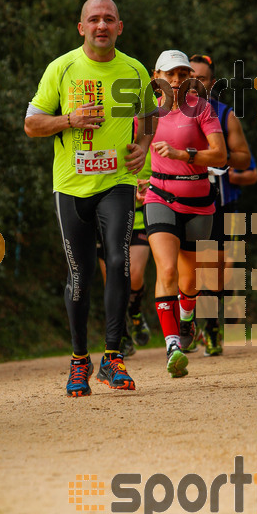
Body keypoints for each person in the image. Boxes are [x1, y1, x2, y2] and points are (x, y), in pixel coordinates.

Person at [24, 0, 153, 397]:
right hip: (71, 186)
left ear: (119, 27)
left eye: (109, 19)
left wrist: (144, 145)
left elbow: (150, 118)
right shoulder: (60, 68)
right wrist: (69, 119)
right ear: (81, 27)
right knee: (80, 275)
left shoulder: (135, 70)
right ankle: (80, 360)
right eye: (94, 19)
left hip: (116, 182)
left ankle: (112, 358)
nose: (101, 25)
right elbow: (31, 124)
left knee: (119, 261)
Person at [143, 50, 227, 377]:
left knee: (189, 279)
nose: (175, 80)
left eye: (182, 74)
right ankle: (173, 345)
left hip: (198, 202)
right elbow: (131, 152)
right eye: (169, 74)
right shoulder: (146, 113)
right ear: (156, 76)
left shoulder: (203, 110)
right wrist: (133, 179)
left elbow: (220, 156)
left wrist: (184, 154)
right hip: (159, 196)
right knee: (166, 270)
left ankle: (189, 318)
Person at [189, 54, 256, 356]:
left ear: (211, 83)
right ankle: (189, 327)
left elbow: (246, 163)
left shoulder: (225, 114)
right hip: (184, 201)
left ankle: (215, 326)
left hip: (223, 203)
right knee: (191, 269)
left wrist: (220, 158)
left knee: (221, 269)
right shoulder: (168, 115)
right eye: (189, 77)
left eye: (201, 79)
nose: (194, 83)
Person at [97, 131, 153, 357]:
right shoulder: (105, 139)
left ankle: (136, 313)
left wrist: (148, 187)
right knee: (113, 279)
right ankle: (121, 333)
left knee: (135, 274)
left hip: (138, 219)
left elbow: (164, 176)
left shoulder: (152, 140)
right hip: (107, 220)